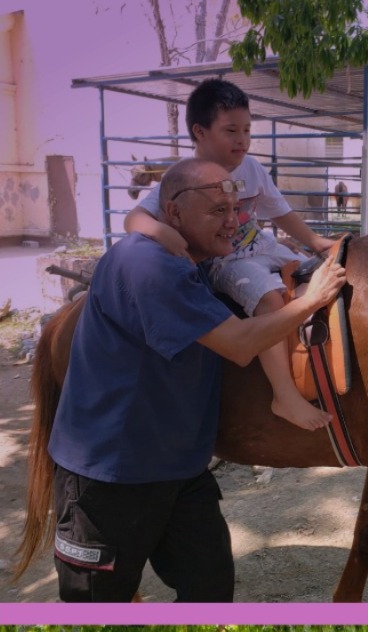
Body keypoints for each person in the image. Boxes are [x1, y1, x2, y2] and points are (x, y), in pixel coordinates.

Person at [47, 156, 346, 602]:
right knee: (96, 604)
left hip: (179, 470)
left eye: (235, 210)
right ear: (173, 213)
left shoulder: (193, 263)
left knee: (209, 591)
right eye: (216, 212)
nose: (233, 223)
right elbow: (241, 344)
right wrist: (312, 300)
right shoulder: (148, 265)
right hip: (111, 475)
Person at [126, 79, 339, 431]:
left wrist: (315, 242)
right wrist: (161, 230)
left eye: (246, 130)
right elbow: (134, 217)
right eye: (230, 131)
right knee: (269, 299)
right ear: (200, 132)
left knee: (315, 273)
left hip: (261, 244)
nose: (242, 139)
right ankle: (283, 395)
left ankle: (319, 362)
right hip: (226, 260)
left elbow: (279, 210)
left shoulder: (251, 167)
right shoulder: (184, 177)